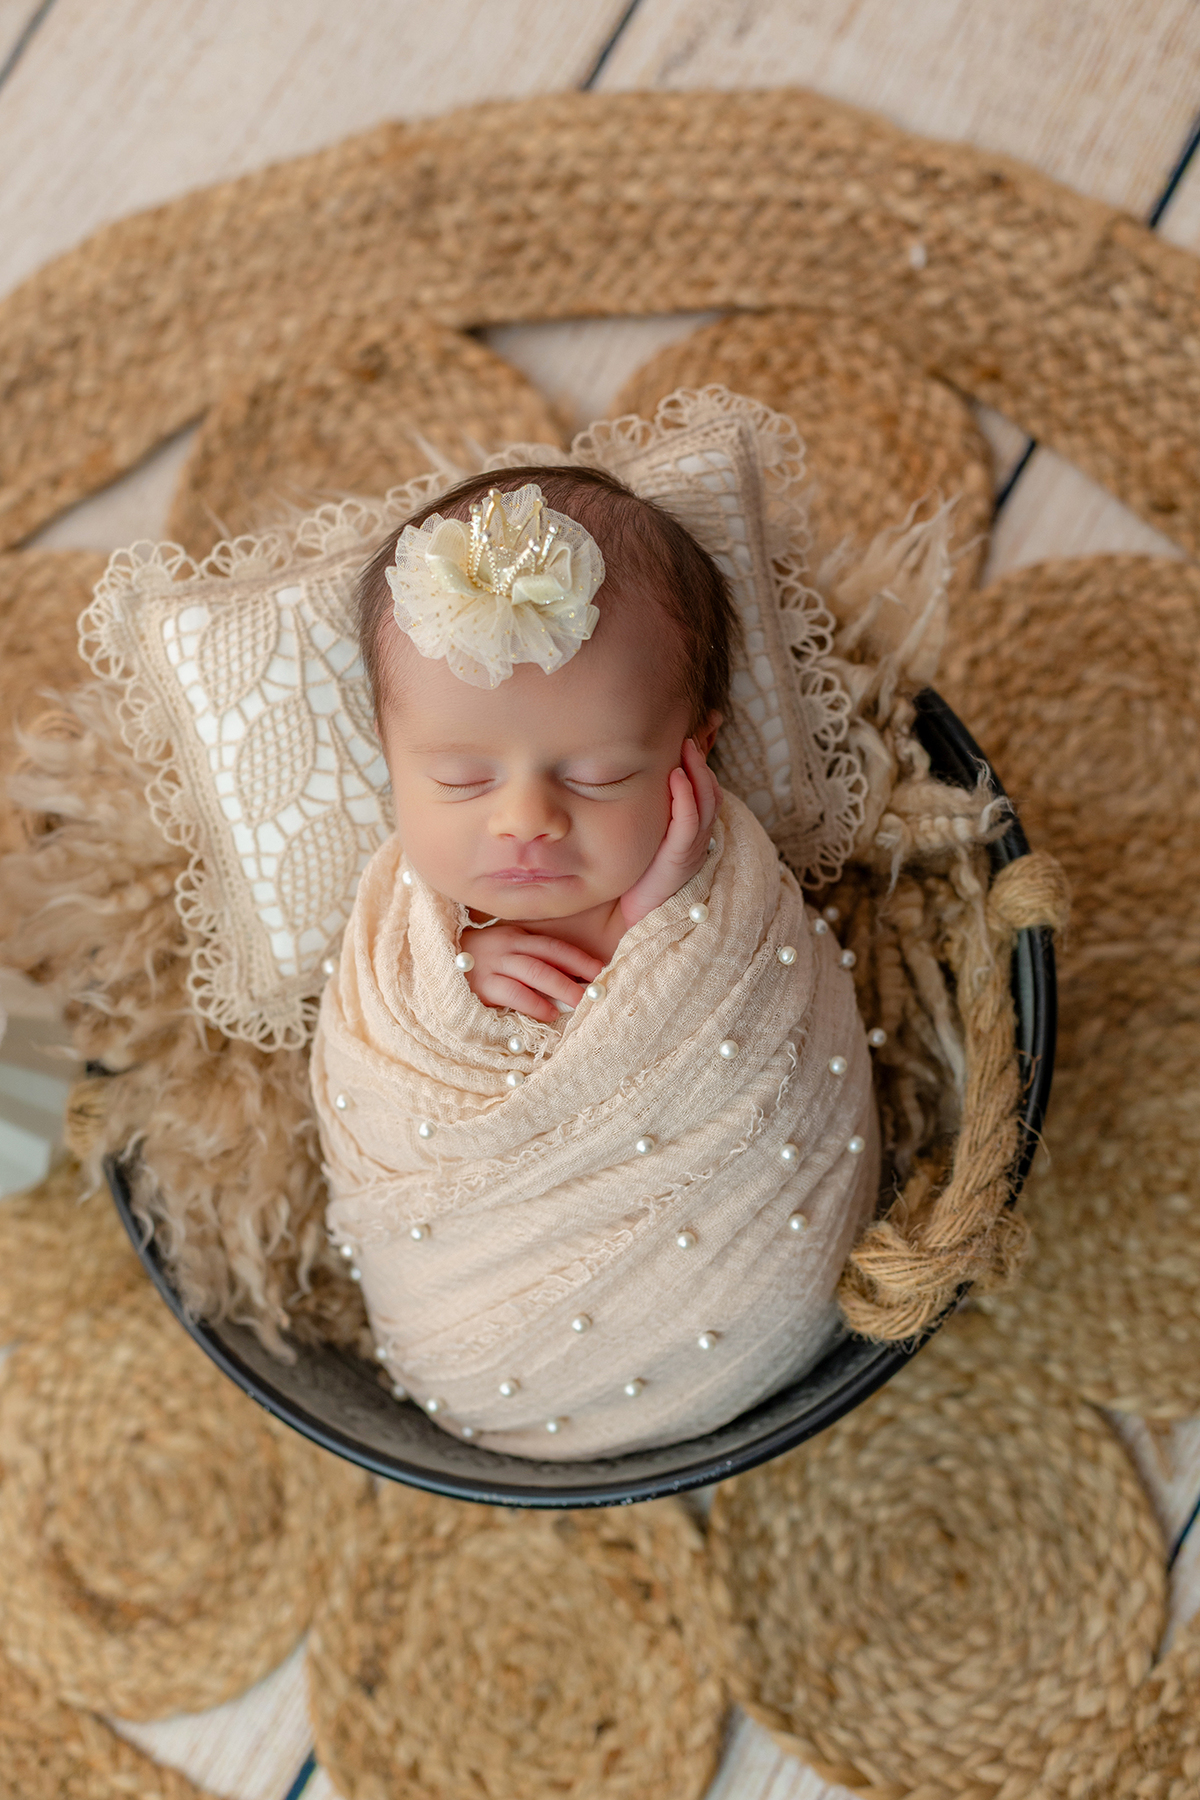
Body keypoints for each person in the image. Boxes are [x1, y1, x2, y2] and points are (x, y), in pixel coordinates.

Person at [310, 465, 879, 1460]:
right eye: (458, 775)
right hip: (471, 1339)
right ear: (390, 759)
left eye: (598, 773)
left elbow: (746, 1039)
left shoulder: (724, 898)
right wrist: (462, 974)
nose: (526, 818)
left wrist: (663, 924)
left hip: (747, 1308)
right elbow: (388, 1065)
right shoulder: (408, 930)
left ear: (691, 752)